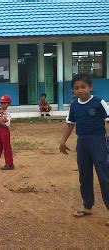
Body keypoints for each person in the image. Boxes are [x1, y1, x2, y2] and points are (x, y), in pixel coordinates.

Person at [59, 73, 109, 224]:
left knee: (104, 176)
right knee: (84, 175)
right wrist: (62, 142)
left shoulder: (99, 102)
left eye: (83, 87)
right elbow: (70, 124)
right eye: (76, 88)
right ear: (73, 90)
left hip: (98, 142)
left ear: (90, 87)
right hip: (82, 143)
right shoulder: (74, 105)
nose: (80, 90)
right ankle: (87, 206)